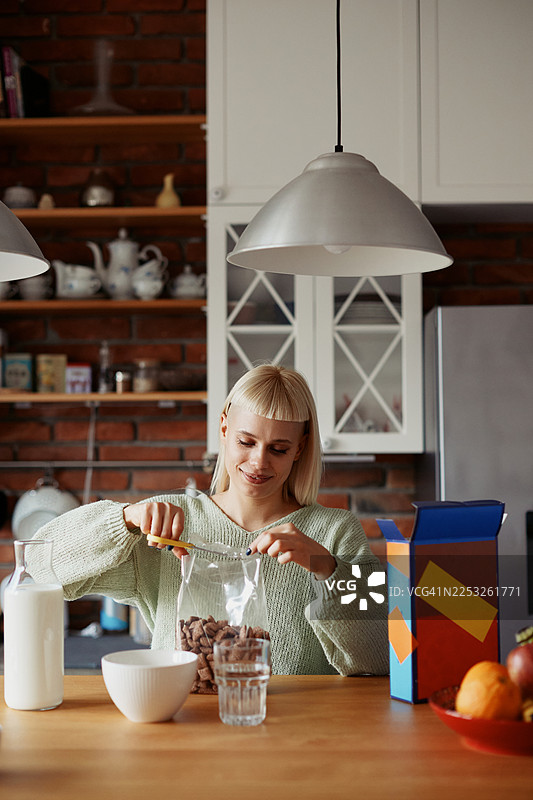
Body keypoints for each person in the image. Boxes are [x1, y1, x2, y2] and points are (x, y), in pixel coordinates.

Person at [32, 364, 389, 676]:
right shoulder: (168, 525)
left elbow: (380, 656)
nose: (259, 462)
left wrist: (327, 567)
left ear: (300, 448)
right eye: (246, 441)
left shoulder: (337, 531)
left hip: (294, 740)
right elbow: (39, 564)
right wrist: (123, 519)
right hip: (181, 732)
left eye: (278, 449)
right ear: (223, 427)